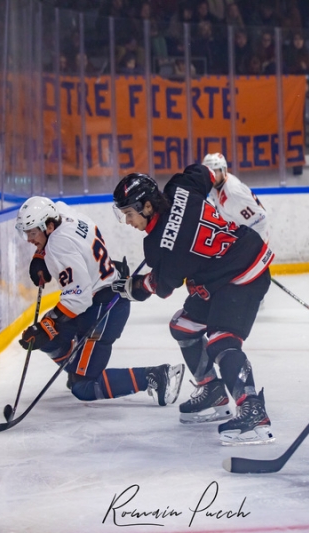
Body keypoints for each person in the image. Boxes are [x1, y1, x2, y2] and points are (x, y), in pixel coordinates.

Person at [111, 168, 275, 445]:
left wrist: (133, 286)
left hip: (242, 275)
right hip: (231, 261)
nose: (128, 221)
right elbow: (206, 173)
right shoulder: (180, 188)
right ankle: (213, 390)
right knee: (184, 326)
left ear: (147, 206)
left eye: (129, 213)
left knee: (222, 341)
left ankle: (254, 412)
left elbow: (161, 286)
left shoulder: (157, 247)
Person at [15, 196, 184, 406]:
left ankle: (156, 376)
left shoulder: (59, 246)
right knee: (49, 339)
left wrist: (48, 322)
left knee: (83, 387)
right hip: (98, 297)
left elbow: (79, 297)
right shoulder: (64, 215)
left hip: (104, 308)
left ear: (49, 226)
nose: (29, 238)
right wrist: (40, 256)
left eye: (32, 232)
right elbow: (58, 207)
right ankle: (79, 368)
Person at [201, 153, 269, 243]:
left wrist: (251, 245)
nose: (212, 176)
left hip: (255, 236)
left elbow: (259, 219)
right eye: (209, 173)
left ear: (223, 170)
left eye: (215, 172)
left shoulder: (233, 192)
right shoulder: (216, 185)